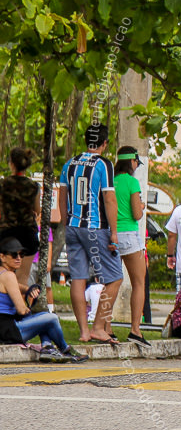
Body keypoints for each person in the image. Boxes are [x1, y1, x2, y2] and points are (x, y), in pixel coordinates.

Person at [58, 123, 122, 344]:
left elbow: (62, 196)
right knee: (115, 277)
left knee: (78, 278)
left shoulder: (69, 163)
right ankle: (98, 327)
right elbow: (109, 199)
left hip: (73, 226)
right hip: (95, 227)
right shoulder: (104, 165)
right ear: (104, 143)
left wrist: (67, 223)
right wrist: (114, 232)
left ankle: (84, 332)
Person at [0, 238, 87, 362]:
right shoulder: (9, 276)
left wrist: (29, 289)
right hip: (8, 331)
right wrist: (29, 301)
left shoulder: (3, 274)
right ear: (2, 257)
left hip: (6, 329)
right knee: (51, 318)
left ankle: (47, 347)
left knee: (44, 320)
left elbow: (20, 288)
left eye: (21, 254)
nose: (19, 258)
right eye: (14, 255)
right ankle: (64, 349)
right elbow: (22, 310)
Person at [112, 146, 149, 346]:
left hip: (111, 235)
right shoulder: (132, 182)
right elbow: (136, 214)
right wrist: (141, 207)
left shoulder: (111, 180)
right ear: (132, 162)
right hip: (129, 235)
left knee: (111, 282)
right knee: (139, 282)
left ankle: (105, 327)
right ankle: (135, 329)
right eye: (136, 162)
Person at [0, 147, 41, 290]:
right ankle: (21, 308)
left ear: (11, 163)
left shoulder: (4, 184)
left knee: (4, 274)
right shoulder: (33, 186)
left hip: (6, 233)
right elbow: (37, 210)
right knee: (23, 277)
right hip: (27, 234)